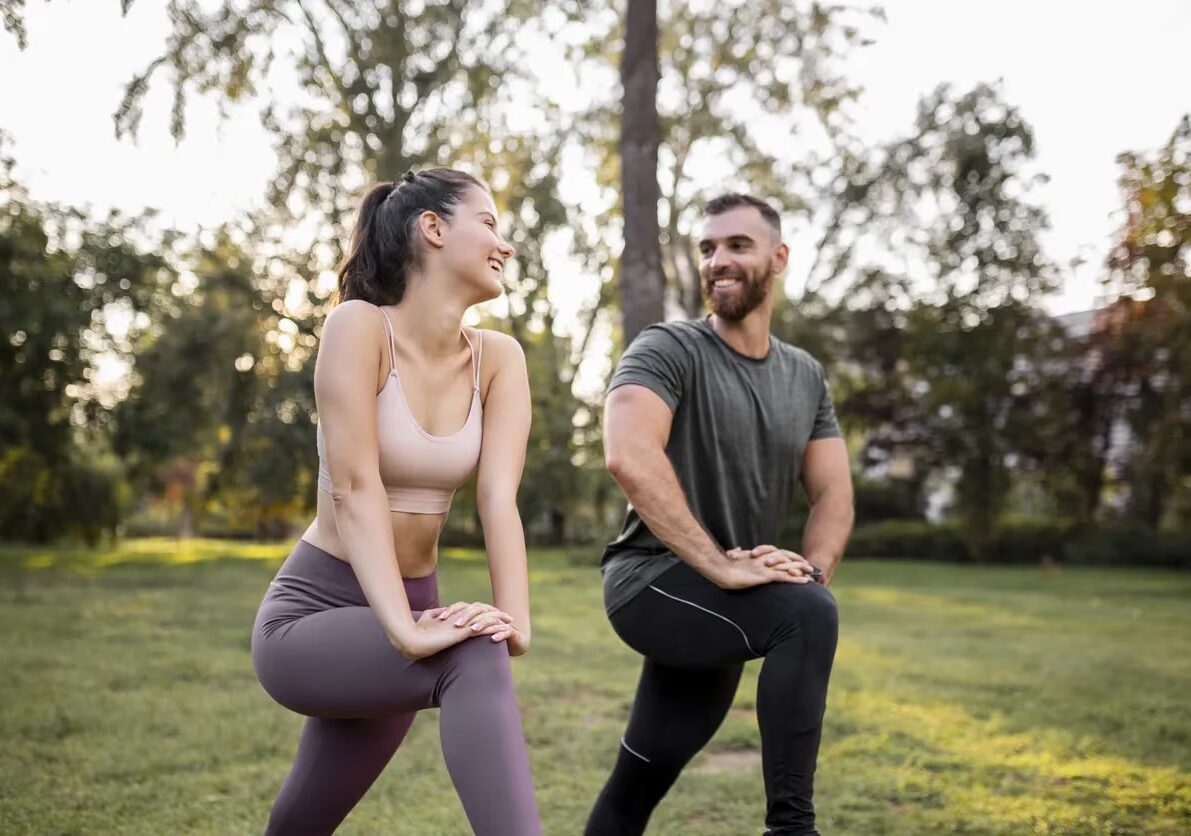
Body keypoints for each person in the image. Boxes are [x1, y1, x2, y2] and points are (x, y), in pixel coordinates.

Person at [250, 168, 541, 835]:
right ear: (432, 229)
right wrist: (404, 629)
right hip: (313, 614)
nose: (506, 243)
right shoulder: (359, 328)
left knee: (301, 821)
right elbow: (352, 488)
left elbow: (499, 499)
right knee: (471, 651)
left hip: (410, 607)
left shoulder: (498, 359)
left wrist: (514, 621)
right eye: (489, 223)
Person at [585, 193, 855, 836]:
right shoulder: (668, 347)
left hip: (726, 598)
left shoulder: (805, 375)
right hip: (651, 582)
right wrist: (721, 566)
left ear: (778, 258)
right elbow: (627, 453)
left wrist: (806, 572)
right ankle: (792, 829)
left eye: (737, 245)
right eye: (707, 248)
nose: (718, 260)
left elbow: (833, 494)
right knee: (808, 616)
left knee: (637, 782)